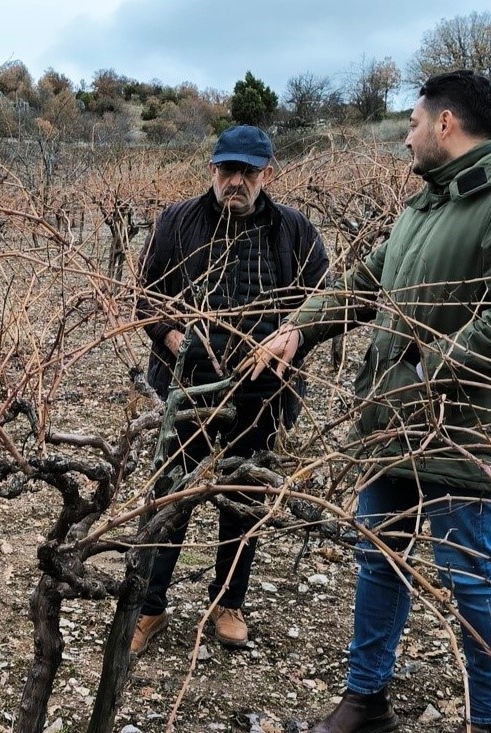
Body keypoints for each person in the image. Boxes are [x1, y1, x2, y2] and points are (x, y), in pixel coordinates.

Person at [243, 71, 491, 733]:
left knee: (468, 572)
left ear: (445, 124)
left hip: (465, 431)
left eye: (412, 123)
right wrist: (302, 327)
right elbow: (368, 278)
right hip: (391, 423)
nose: (406, 137)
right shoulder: (427, 203)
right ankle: (364, 700)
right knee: (379, 556)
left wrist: (428, 366)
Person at [132, 125, 329, 654]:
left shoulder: (294, 231)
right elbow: (145, 296)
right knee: (170, 497)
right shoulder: (177, 222)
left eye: (247, 171)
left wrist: (294, 335)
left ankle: (228, 603)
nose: (235, 181)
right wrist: (171, 336)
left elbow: (320, 303)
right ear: (212, 170)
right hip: (185, 388)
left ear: (268, 174)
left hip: (262, 395)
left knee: (244, 499)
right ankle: (149, 608)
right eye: (227, 170)